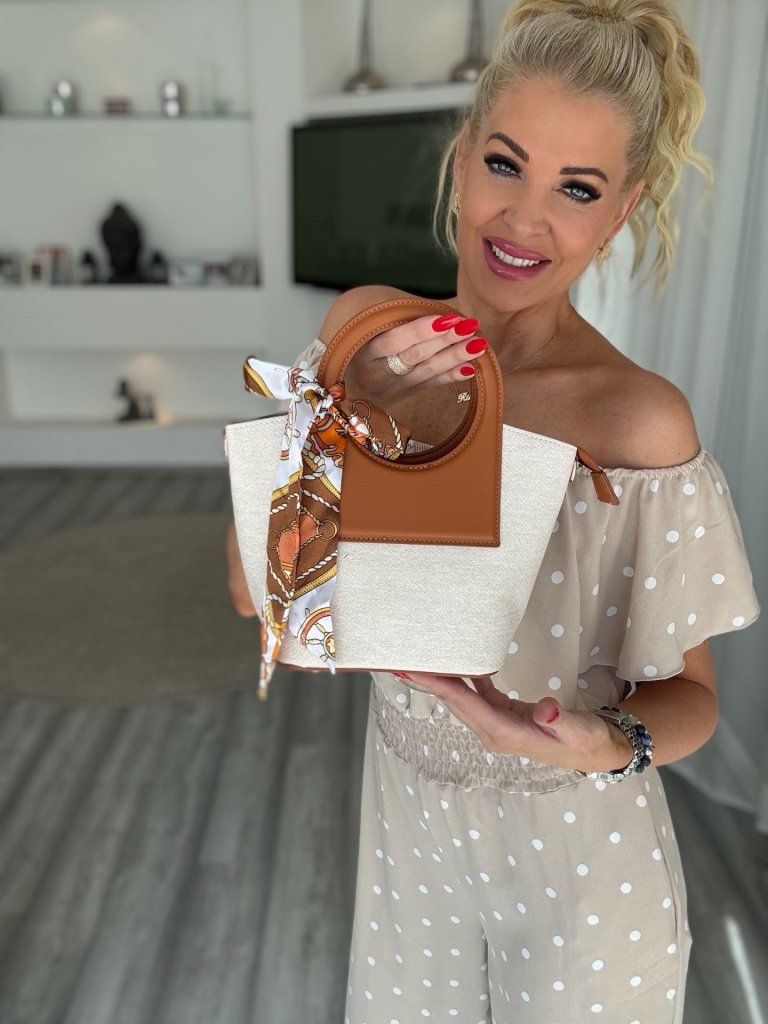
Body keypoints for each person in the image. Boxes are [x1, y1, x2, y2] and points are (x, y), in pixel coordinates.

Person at [227, 1, 760, 1020]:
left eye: (578, 188)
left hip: (583, 873)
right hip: (408, 851)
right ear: (462, 157)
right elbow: (257, 591)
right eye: (506, 164)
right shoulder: (362, 337)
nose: (525, 219)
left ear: (620, 211)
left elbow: (692, 698)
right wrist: (345, 414)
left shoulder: (638, 419)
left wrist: (597, 743)